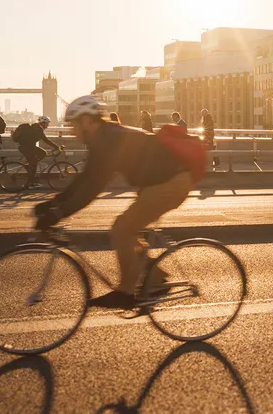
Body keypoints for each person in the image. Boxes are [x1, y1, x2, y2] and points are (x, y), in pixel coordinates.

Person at [33, 96, 196, 310]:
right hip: (158, 184)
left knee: (121, 229)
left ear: (88, 121)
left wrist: (58, 213)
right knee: (127, 229)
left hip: (171, 183)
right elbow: (85, 179)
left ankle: (126, 293)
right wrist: (53, 204)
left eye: (74, 125)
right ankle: (155, 278)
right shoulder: (103, 138)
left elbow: (92, 188)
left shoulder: (110, 140)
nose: (72, 131)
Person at [15, 115, 61, 188]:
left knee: (43, 153)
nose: (48, 125)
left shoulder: (37, 128)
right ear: (43, 123)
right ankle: (31, 183)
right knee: (34, 163)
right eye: (47, 124)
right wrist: (57, 147)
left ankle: (30, 167)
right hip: (26, 148)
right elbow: (46, 140)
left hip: (29, 147)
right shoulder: (38, 129)